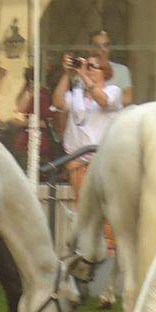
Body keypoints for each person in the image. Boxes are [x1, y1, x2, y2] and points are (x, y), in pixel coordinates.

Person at [52, 46, 123, 201]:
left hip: (103, 160)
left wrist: (83, 76)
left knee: (103, 206)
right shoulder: (77, 94)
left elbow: (103, 101)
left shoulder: (113, 90)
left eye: (91, 66)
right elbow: (58, 103)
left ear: (105, 72)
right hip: (77, 160)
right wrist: (67, 74)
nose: (87, 69)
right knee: (82, 206)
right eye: (85, 65)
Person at [89, 30, 133, 107]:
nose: (103, 49)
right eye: (98, 46)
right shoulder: (83, 72)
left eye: (106, 45)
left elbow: (128, 99)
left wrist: (109, 101)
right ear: (90, 49)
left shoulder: (122, 70)